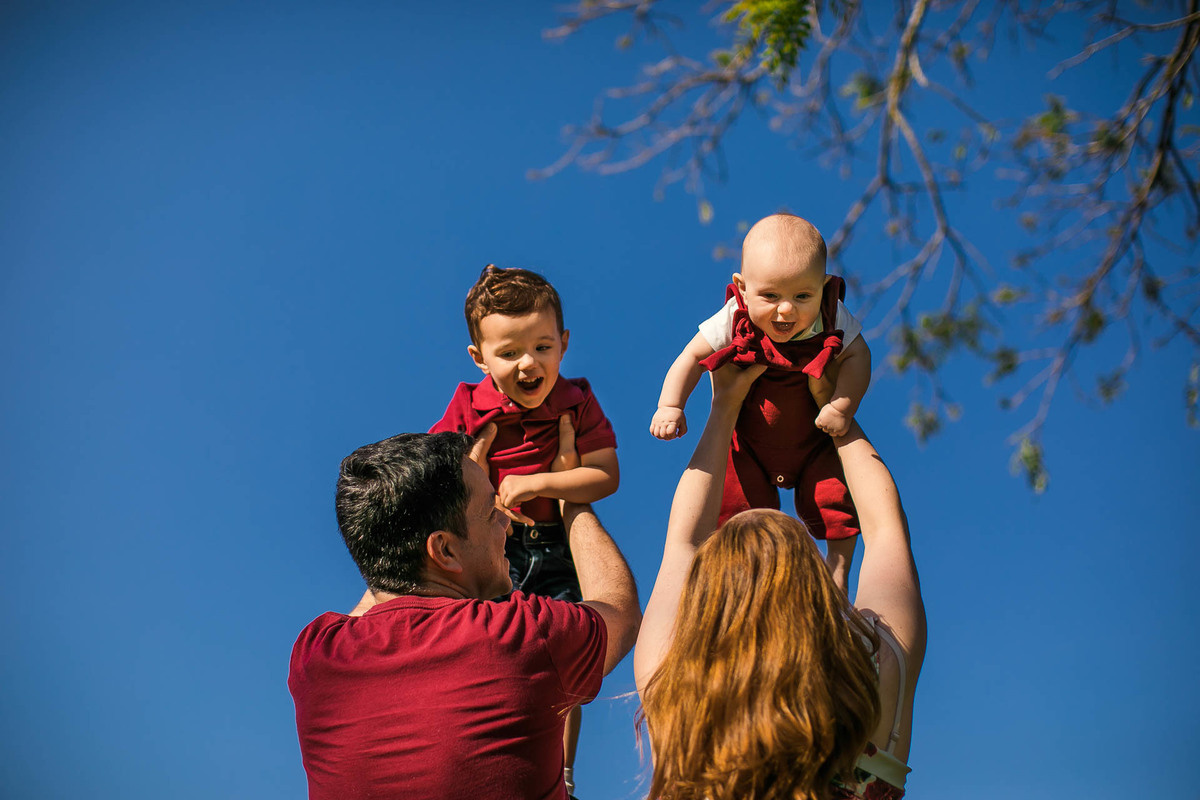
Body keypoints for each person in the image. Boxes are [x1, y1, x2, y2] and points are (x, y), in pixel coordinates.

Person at [288, 425, 640, 800]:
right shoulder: (523, 635)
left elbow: (384, 575)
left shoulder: (314, 655)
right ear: (444, 550)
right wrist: (568, 497)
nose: (506, 523)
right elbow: (619, 608)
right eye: (491, 513)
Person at [635, 362, 926, 800]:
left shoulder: (678, 690)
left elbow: (685, 541)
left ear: (709, 598)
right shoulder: (874, 676)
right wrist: (836, 413)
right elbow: (885, 529)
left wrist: (724, 407)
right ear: (816, 590)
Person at [430, 264, 620, 793]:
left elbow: (605, 475)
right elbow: (438, 478)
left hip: (557, 546)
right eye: (509, 352)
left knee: (569, 659)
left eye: (542, 347)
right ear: (479, 358)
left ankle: (562, 774)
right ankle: (484, 760)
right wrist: (476, 474)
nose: (529, 363)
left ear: (563, 343)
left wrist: (540, 482)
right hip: (496, 550)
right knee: (484, 655)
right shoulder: (468, 406)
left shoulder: (576, 400)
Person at [650, 214, 870, 589]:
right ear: (743, 288)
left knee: (836, 500)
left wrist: (841, 405)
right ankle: (748, 581)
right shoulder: (733, 316)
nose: (786, 310)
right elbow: (690, 358)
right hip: (749, 444)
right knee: (736, 509)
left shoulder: (833, 317)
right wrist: (670, 405)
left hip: (813, 440)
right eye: (770, 296)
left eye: (803, 296)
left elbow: (857, 357)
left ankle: (838, 570)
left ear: (825, 286)